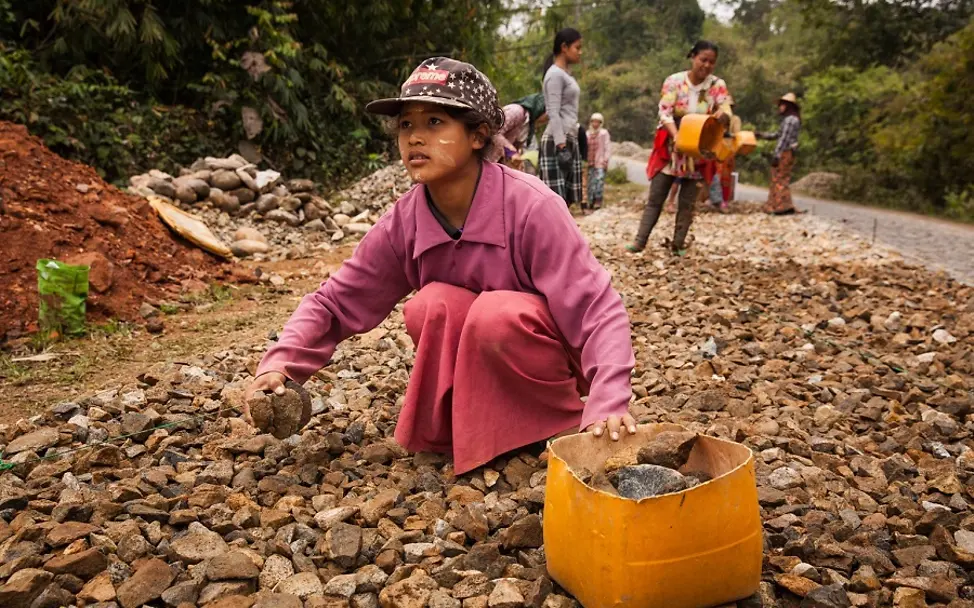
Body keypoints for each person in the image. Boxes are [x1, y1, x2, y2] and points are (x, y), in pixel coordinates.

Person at [243, 57, 636, 476]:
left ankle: (551, 423)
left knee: (494, 315)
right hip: (482, 355)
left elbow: (597, 308)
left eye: (434, 122)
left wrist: (608, 399)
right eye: (406, 126)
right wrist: (281, 364)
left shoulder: (531, 207)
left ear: (478, 134)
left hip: (546, 361)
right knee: (429, 304)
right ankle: (464, 422)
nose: (415, 138)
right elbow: (336, 301)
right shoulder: (406, 219)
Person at [628, 40, 732, 255]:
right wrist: (677, 137)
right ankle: (640, 241)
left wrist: (724, 115)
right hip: (671, 146)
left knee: (687, 201)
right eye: (703, 60)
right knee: (656, 197)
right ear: (693, 57)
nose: (706, 65)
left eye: (711, 62)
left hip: (699, 148)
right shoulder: (674, 81)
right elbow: (665, 112)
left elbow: (725, 108)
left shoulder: (717, 85)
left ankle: (678, 244)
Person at [540, 28, 583, 207]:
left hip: (569, 137)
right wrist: (561, 146)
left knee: (568, 198)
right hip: (557, 141)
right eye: (577, 47)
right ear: (564, 47)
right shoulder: (555, 75)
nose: (580, 52)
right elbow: (553, 111)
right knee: (555, 203)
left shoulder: (566, 75)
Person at [758, 93, 801, 215]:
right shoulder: (793, 119)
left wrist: (777, 155)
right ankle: (785, 205)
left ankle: (778, 206)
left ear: (787, 106)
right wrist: (761, 135)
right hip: (790, 152)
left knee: (778, 178)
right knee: (784, 178)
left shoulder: (789, 120)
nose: (780, 108)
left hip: (784, 152)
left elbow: (783, 140)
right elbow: (777, 135)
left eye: (782, 105)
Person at [489, 93, 546, 166]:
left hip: (496, 164)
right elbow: (494, 131)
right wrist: (511, 152)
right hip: (484, 159)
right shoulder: (516, 111)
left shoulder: (528, 125)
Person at [586, 113, 611, 210]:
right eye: (593, 121)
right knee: (590, 183)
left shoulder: (604, 133)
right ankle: (590, 201)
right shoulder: (588, 134)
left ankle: (598, 200)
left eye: (597, 122)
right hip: (590, 162)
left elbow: (607, 147)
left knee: (599, 181)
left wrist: (606, 160)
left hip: (600, 161)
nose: (595, 124)